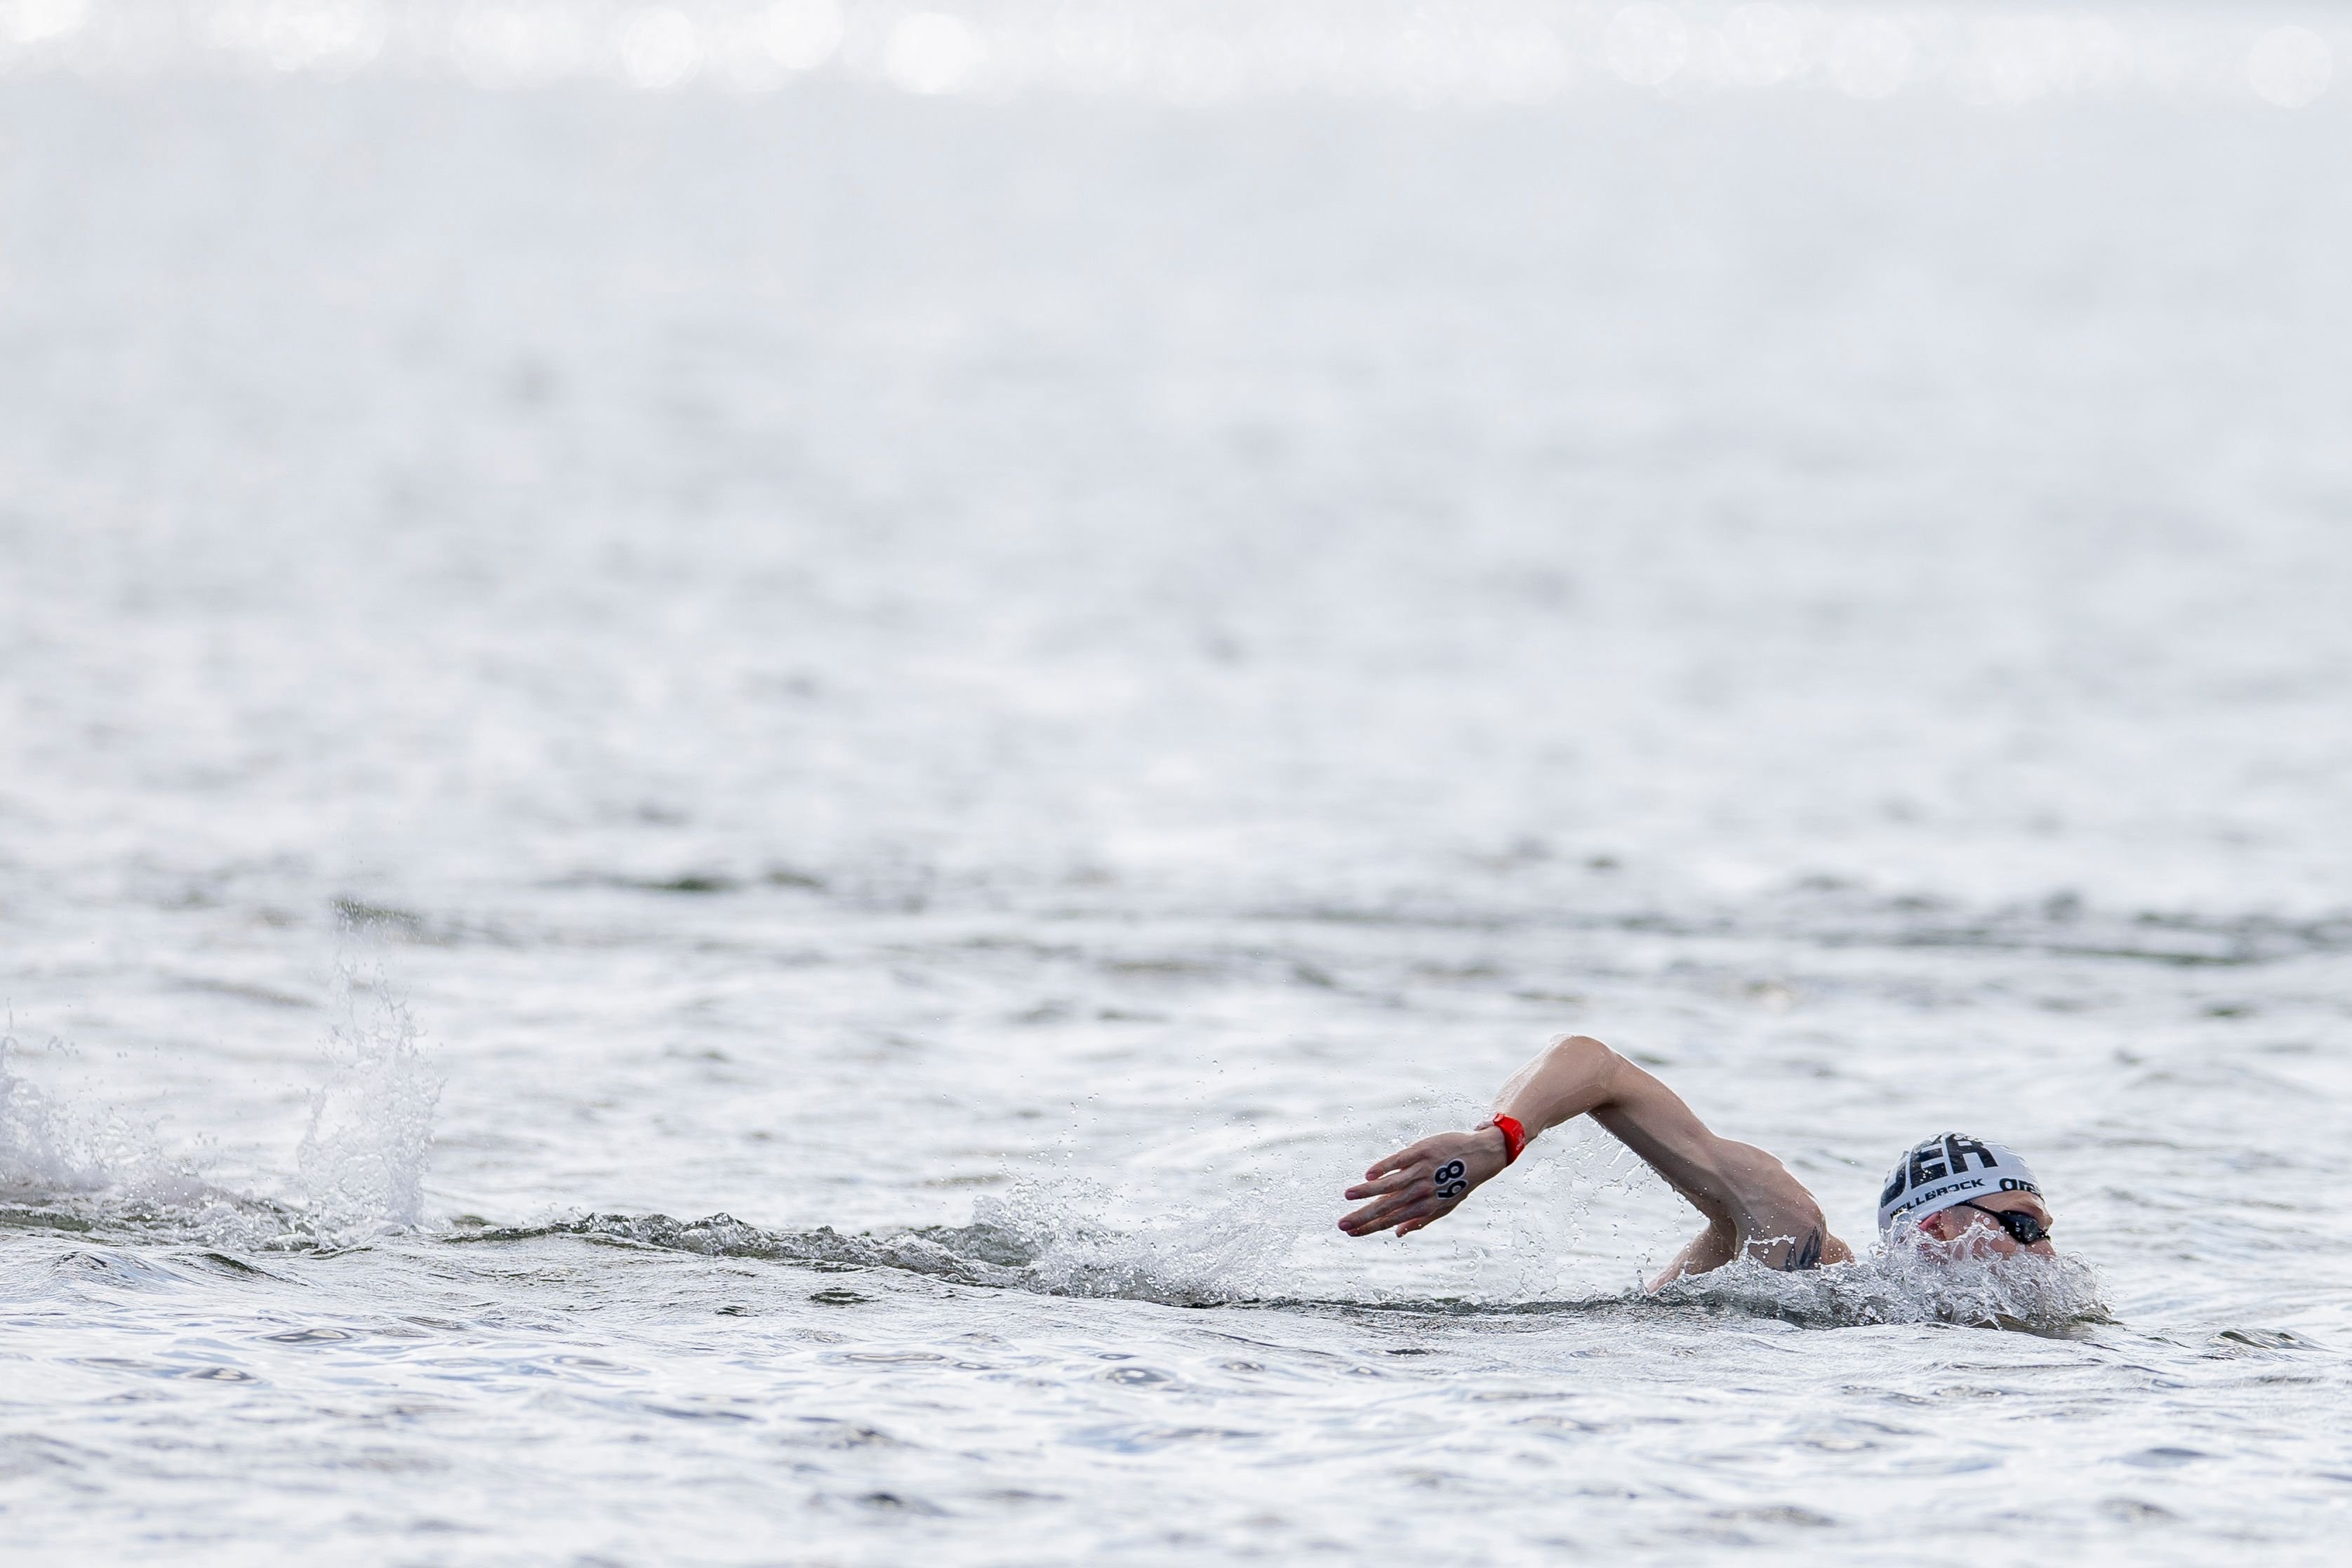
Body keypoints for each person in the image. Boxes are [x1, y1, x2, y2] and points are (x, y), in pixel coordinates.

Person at [1338, 1032, 2054, 1287]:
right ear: (1935, 1228)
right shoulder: (1794, 1243)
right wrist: (1499, 1138)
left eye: (2046, 1229)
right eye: (2023, 1225)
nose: (2046, 1250)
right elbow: (1596, 1065)